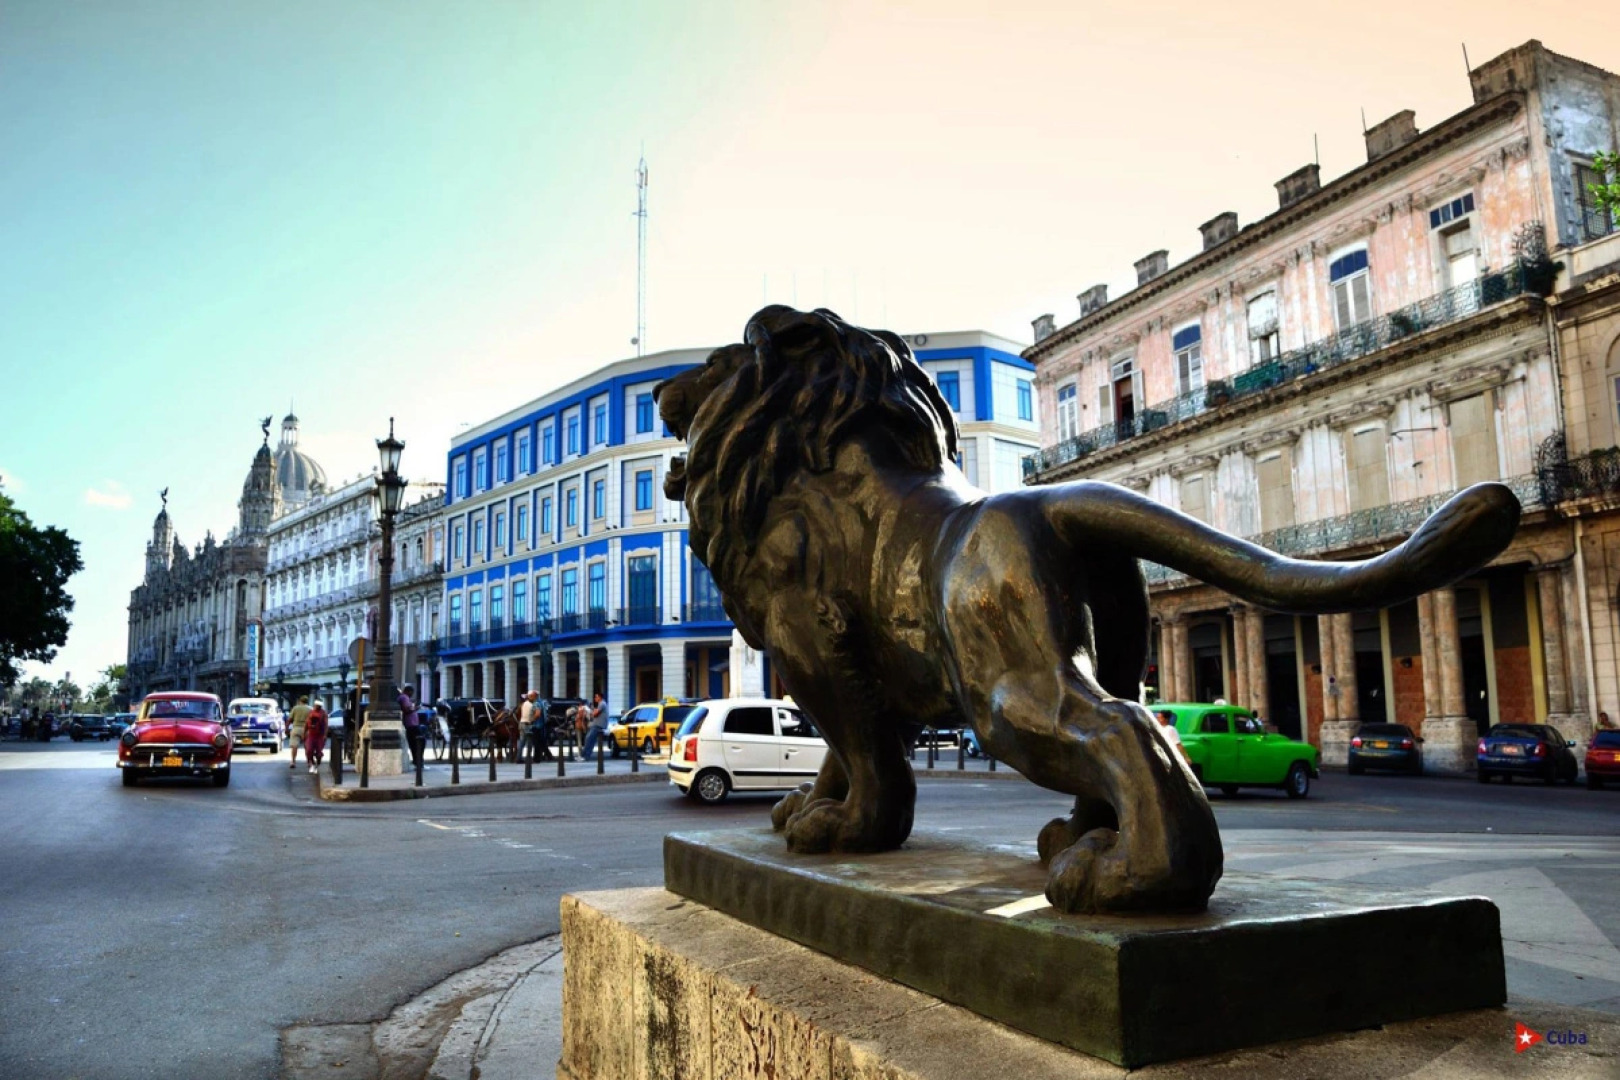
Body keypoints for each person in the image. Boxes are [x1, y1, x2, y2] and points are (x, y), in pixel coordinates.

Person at [398, 686, 422, 770]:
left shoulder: (404, 697)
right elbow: (407, 710)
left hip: (412, 724)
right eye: (412, 692)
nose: (412, 694)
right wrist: (416, 708)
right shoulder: (404, 697)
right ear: (409, 691)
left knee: (415, 744)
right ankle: (418, 762)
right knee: (417, 743)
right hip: (411, 725)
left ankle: (417, 761)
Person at [580, 692, 609, 759]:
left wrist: (589, 711)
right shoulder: (601, 704)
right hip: (597, 724)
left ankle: (584, 755)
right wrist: (592, 711)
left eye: (596, 697)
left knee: (588, 739)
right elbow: (595, 712)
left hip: (598, 725)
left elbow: (595, 714)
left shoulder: (602, 703)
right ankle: (586, 756)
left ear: (600, 697)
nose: (595, 698)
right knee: (591, 740)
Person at [304, 701, 329, 774]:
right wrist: (304, 732)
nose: (316, 706)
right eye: (315, 705)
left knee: (318, 752)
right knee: (309, 750)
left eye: (318, 705)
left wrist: (325, 735)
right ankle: (311, 763)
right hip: (311, 735)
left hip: (320, 735)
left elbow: (326, 725)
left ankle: (318, 762)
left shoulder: (323, 713)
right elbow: (306, 723)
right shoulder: (310, 712)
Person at [287, 696, 312, 769]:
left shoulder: (295, 708)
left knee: (294, 746)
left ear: (300, 701)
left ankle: (293, 761)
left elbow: (289, 719)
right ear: (307, 701)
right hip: (307, 729)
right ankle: (309, 762)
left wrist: (286, 728)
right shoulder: (310, 709)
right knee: (307, 747)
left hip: (296, 728)